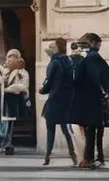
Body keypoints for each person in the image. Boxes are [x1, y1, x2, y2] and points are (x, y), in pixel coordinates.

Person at [71, 33, 109, 169]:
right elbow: (107, 79)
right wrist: (106, 93)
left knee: (90, 130)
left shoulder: (89, 58)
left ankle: (88, 158)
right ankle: (98, 157)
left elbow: (78, 78)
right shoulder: (97, 58)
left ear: (91, 43)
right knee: (96, 129)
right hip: (97, 98)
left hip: (90, 99)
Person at [40, 38, 76, 166]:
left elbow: (49, 81)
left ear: (56, 48)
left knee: (50, 129)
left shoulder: (54, 62)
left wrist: (42, 90)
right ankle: (73, 155)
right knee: (66, 129)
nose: (49, 48)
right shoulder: (68, 60)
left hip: (54, 99)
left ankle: (47, 156)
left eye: (51, 46)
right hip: (66, 99)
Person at [0, 49, 30, 155]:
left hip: (14, 100)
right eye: (9, 56)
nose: (11, 58)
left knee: (10, 123)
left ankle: (8, 143)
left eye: (14, 56)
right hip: (3, 100)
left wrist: (7, 89)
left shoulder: (22, 72)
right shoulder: (3, 70)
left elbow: (22, 86)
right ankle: (3, 142)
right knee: (3, 123)